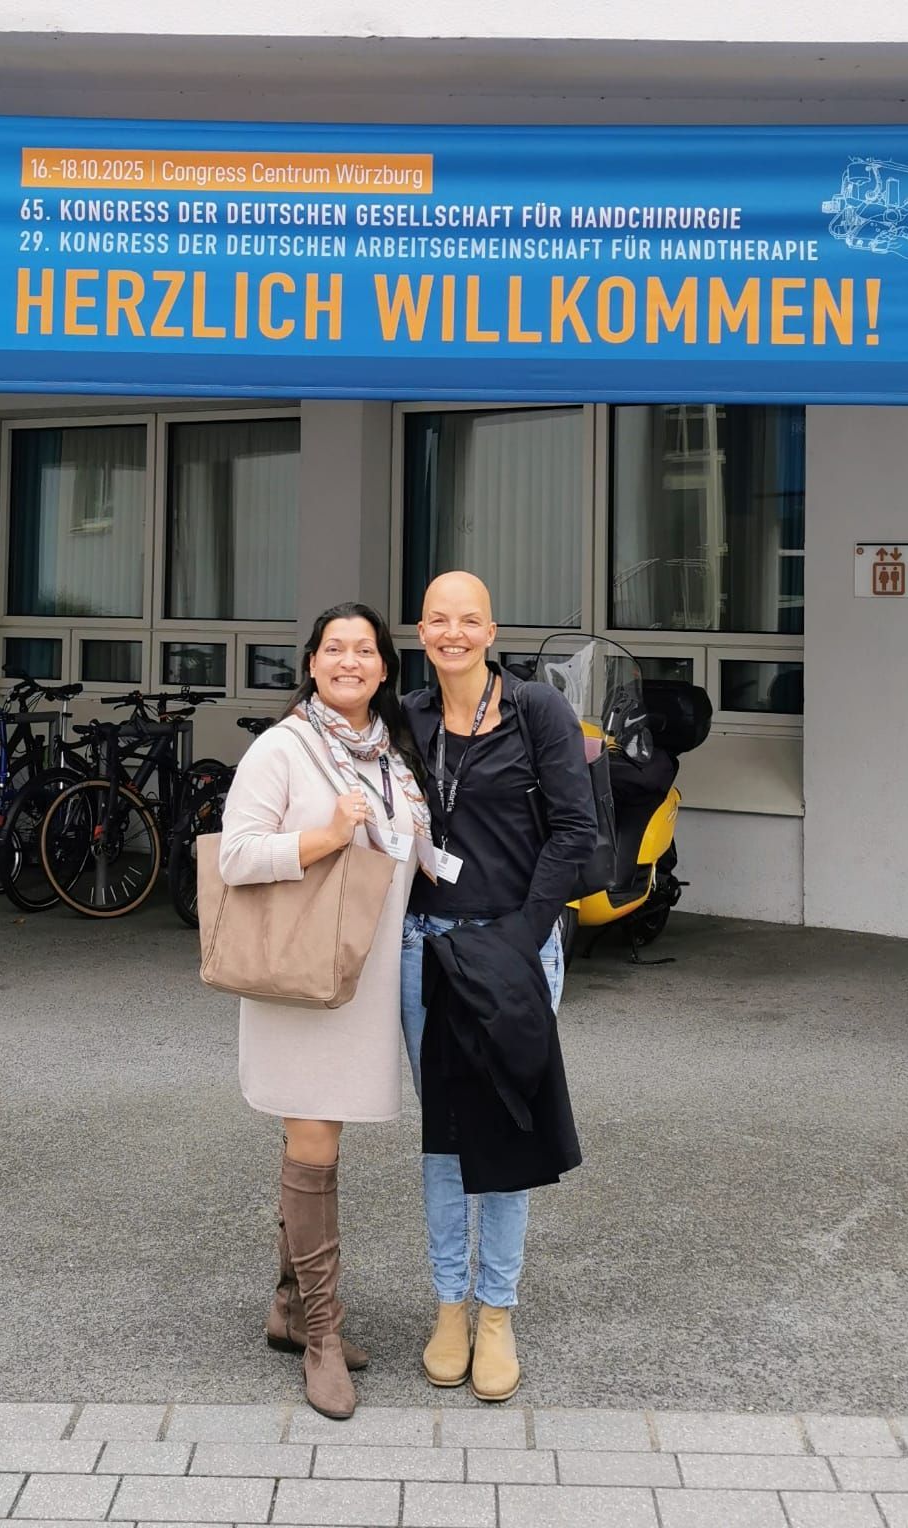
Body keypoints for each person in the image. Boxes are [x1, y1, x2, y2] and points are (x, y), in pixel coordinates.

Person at [217, 602, 427, 1420]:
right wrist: (324, 838)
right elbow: (236, 856)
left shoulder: (389, 753)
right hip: (303, 980)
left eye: (364, 650)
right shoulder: (285, 747)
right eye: (334, 648)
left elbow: (409, 849)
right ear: (310, 663)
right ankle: (324, 1338)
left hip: (364, 976)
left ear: (384, 668)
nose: (349, 661)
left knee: (318, 1143)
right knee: (315, 1145)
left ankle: (289, 1309)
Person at [400, 570, 598, 1402]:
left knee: (508, 1128)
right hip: (427, 951)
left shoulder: (536, 710)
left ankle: (497, 1310)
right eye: (438, 620)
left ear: (491, 630)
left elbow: (575, 830)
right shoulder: (406, 716)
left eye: (468, 619)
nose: (453, 633)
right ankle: (449, 1304)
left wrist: (521, 937)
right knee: (446, 1136)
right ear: (421, 632)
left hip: (514, 949)